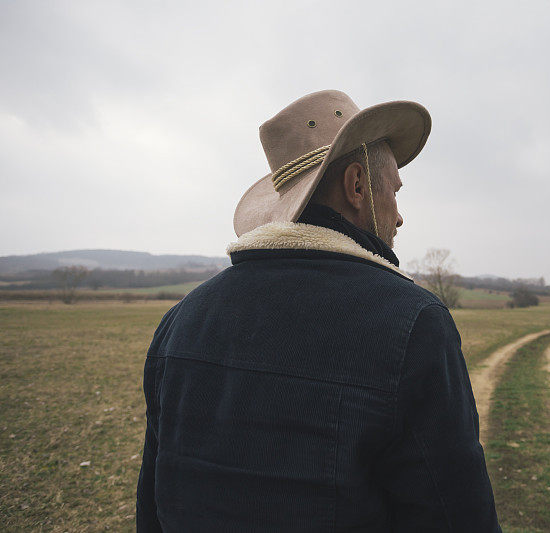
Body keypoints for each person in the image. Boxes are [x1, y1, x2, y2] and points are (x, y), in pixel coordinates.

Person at [136, 90, 502, 532]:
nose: (400, 216)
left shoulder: (181, 320)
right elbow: (456, 518)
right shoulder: (413, 323)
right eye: (395, 191)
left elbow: (152, 508)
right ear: (358, 186)